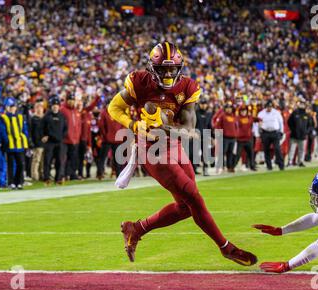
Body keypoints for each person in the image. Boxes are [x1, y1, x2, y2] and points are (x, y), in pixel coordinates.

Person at [107, 41, 257, 266]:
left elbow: (188, 129)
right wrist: (132, 124)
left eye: (172, 69)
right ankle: (225, 247)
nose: (168, 74)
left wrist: (164, 126)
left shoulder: (187, 87)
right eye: (163, 69)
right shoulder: (139, 81)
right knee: (194, 197)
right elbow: (113, 108)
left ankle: (136, 229)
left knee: (186, 208)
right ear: (152, 68)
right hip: (151, 149)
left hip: (174, 144)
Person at [0, 97, 29, 190]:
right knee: (10, 164)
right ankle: (10, 182)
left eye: (13, 106)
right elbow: (2, 132)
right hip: (10, 144)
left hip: (19, 144)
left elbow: (24, 129)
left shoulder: (20, 117)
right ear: (6, 107)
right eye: (10, 106)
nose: (12, 108)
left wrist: (24, 140)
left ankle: (18, 182)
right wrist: (6, 142)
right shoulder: (3, 118)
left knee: (20, 164)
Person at [42, 95, 67, 185]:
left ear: (59, 106)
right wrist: (44, 136)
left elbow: (65, 128)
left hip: (59, 142)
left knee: (59, 161)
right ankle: (46, 178)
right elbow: (42, 128)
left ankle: (58, 178)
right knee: (47, 160)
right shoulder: (46, 116)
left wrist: (62, 137)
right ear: (51, 106)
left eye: (56, 105)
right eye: (53, 105)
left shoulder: (62, 116)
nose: (55, 106)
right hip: (50, 142)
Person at [258, 101, 284, 171]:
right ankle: (269, 166)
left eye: (270, 107)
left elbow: (281, 122)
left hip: (275, 132)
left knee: (277, 149)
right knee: (266, 149)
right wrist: (259, 133)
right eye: (268, 107)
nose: (269, 108)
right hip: (265, 132)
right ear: (265, 107)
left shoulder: (276, 113)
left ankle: (281, 164)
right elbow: (259, 124)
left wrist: (281, 131)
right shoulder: (261, 113)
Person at [61, 93, 82, 181]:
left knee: (73, 158)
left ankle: (72, 174)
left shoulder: (76, 111)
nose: (71, 102)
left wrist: (77, 136)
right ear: (67, 100)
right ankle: (63, 174)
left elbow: (78, 125)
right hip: (65, 139)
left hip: (75, 139)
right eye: (70, 100)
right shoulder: (63, 110)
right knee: (63, 158)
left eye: (73, 100)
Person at [213, 101, 237, 173]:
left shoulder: (233, 116)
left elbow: (235, 126)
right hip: (224, 137)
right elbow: (217, 125)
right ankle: (221, 167)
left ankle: (229, 167)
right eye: (227, 108)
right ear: (225, 109)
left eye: (230, 108)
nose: (229, 109)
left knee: (230, 153)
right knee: (222, 152)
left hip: (233, 137)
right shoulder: (222, 116)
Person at [287, 100, 309, 167]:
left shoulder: (306, 114)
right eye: (301, 104)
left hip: (302, 135)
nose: (302, 105)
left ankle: (300, 161)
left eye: (303, 104)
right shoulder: (294, 113)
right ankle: (290, 162)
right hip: (294, 135)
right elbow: (289, 122)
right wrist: (293, 130)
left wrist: (306, 131)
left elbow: (309, 124)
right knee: (292, 149)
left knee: (302, 149)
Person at [195, 98, 213, 176]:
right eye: (202, 104)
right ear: (199, 104)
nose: (203, 105)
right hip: (196, 136)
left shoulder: (209, 114)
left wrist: (212, 137)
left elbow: (209, 126)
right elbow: (193, 124)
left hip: (205, 136)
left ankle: (205, 170)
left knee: (205, 154)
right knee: (194, 154)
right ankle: (193, 169)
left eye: (205, 104)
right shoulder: (195, 113)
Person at [235, 105, 256, 171]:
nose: (243, 112)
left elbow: (257, 119)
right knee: (237, 154)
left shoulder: (249, 117)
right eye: (242, 111)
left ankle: (252, 166)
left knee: (251, 153)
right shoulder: (237, 118)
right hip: (240, 139)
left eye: (244, 111)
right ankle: (232, 166)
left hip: (248, 138)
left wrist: (260, 121)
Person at [30, 100, 45, 181]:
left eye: (41, 107)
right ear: (35, 109)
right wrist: (32, 141)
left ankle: (42, 175)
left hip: (45, 142)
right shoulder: (33, 119)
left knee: (43, 160)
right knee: (36, 160)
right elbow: (31, 131)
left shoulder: (45, 118)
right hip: (37, 142)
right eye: (37, 107)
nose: (39, 109)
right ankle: (35, 176)